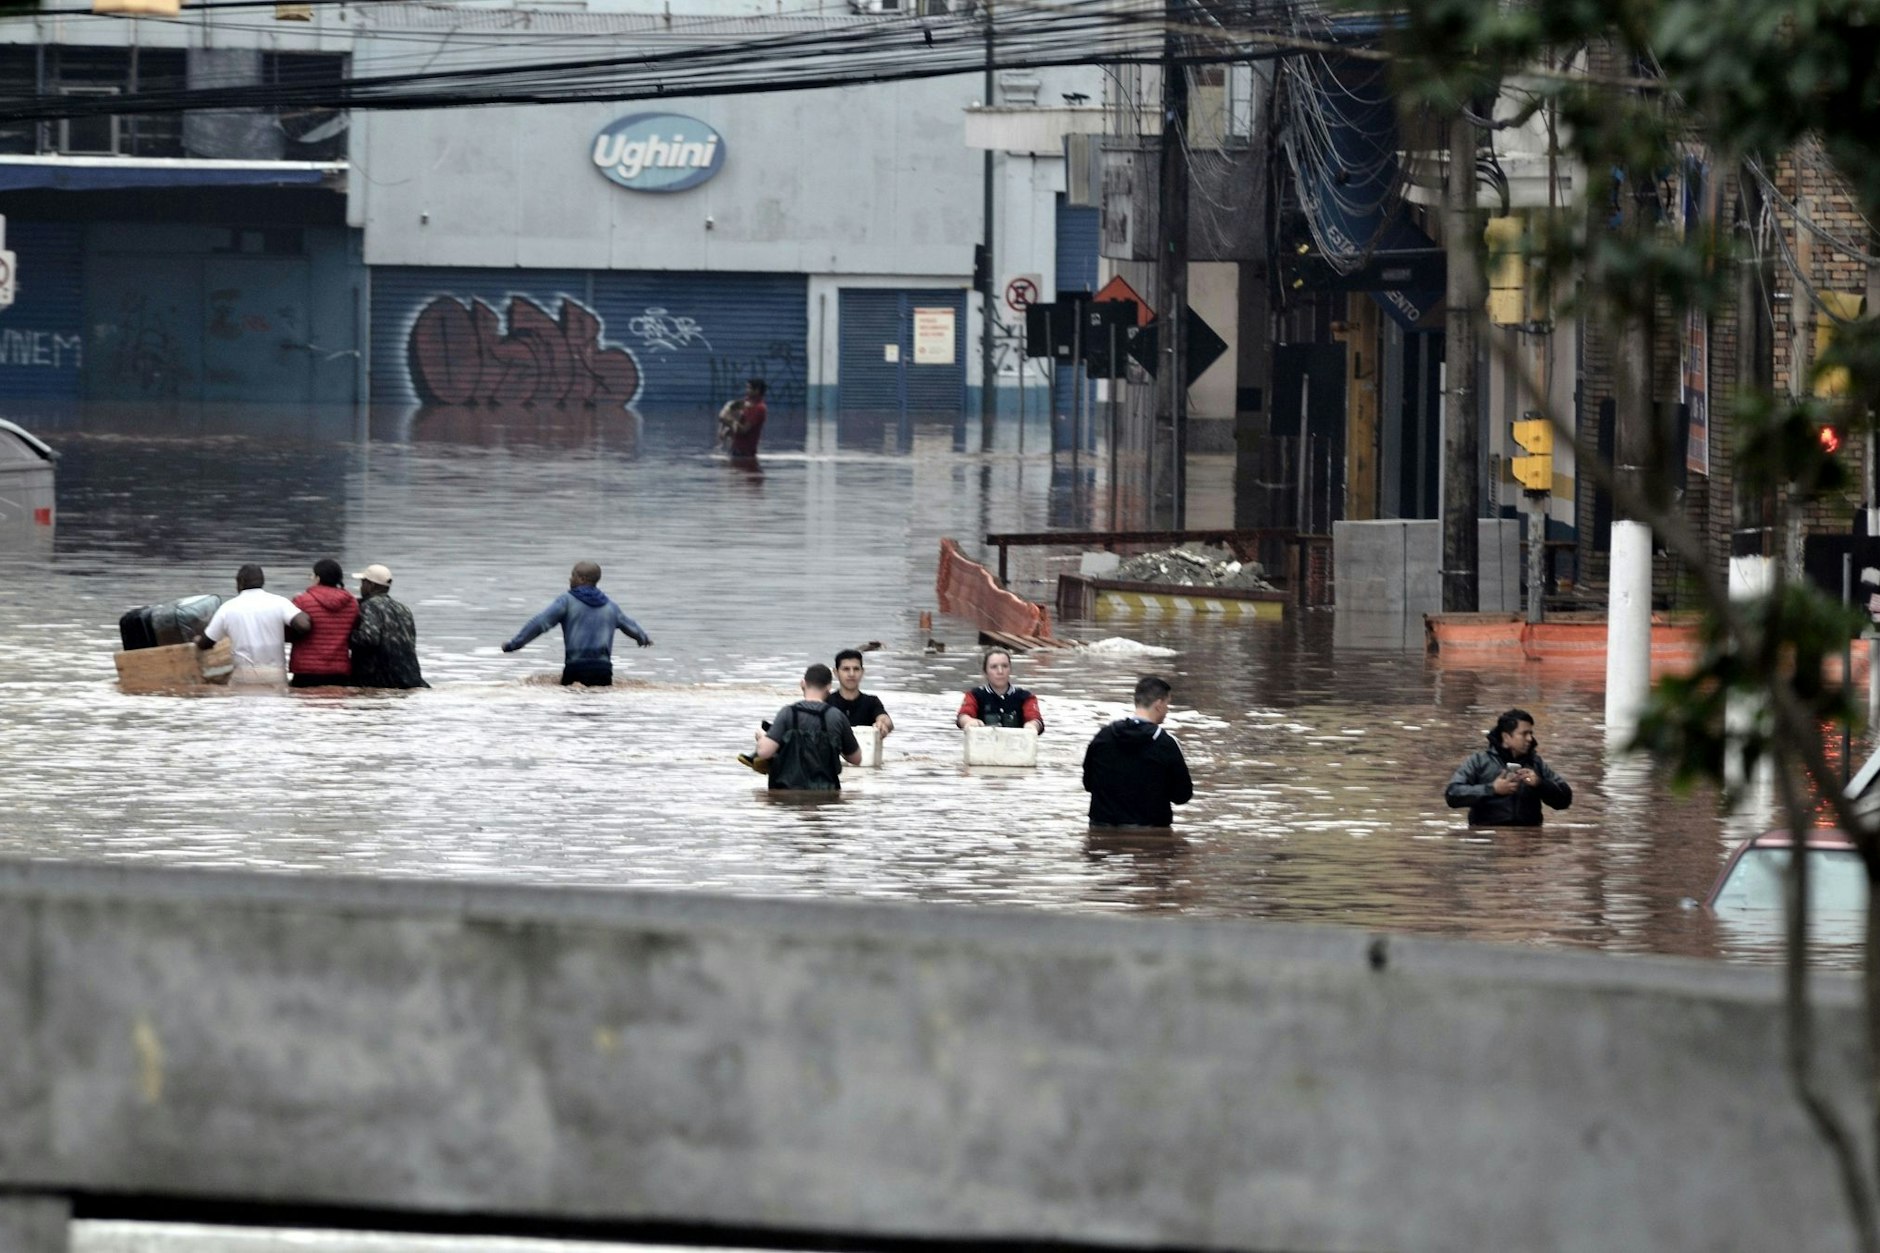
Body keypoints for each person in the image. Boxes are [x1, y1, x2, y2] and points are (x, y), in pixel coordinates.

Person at [501, 560, 653, 687]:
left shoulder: (567, 601)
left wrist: (514, 644)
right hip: (603, 670)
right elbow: (631, 626)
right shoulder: (611, 607)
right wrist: (643, 638)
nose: (569, 579)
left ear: (582, 579)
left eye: (572, 575)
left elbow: (539, 623)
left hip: (576, 667)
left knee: (572, 712)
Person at [1082, 675, 1195, 828]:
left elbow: (1088, 784)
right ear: (1159, 704)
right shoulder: (1165, 743)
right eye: (1168, 704)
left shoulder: (1103, 737)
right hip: (1151, 832)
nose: (1167, 710)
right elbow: (1182, 795)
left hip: (1102, 826)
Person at [1445, 708, 1573, 827]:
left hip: (1528, 842)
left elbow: (1565, 799)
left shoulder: (1536, 764)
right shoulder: (1479, 761)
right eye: (1524, 734)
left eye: (1530, 733)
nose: (1529, 739)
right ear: (1506, 737)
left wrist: (1540, 784)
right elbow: (1452, 794)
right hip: (1488, 841)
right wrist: (1492, 789)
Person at [752, 663, 862, 791]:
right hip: (826, 795)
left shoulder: (787, 713)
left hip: (786, 794)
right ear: (829, 687)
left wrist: (761, 737)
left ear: (803, 683)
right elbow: (856, 759)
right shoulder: (837, 716)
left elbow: (764, 752)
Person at [196, 564, 311, 686]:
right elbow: (303, 625)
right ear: (262, 581)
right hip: (275, 674)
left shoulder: (227, 608)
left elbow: (206, 643)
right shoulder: (280, 602)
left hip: (244, 675)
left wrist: (197, 639)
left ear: (240, 583)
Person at [348, 563, 429, 690]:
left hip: (381, 680)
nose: (361, 586)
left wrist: (344, 635)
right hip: (410, 677)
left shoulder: (369, 606)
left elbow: (368, 638)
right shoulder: (404, 609)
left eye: (363, 582)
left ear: (371, 585)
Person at [289, 558, 360, 689]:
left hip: (306, 671)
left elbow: (289, 633)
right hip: (339, 671)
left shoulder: (302, 601)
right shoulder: (352, 603)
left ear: (317, 578)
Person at [956, 648, 1043, 733]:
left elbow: (1035, 718)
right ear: (985, 672)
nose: (1000, 671)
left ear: (1010, 670)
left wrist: (1032, 725)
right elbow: (963, 715)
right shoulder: (974, 695)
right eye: (994, 667)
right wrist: (968, 721)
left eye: (1004, 666)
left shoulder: (1026, 697)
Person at [825, 647, 893, 739]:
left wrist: (882, 724)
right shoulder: (826, 702)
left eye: (856, 669)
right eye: (846, 669)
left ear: (862, 672)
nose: (851, 674)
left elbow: (884, 718)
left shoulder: (871, 702)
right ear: (836, 673)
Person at [717, 379, 768, 457]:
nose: (746, 390)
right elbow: (731, 411)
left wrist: (728, 420)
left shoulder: (759, 408)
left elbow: (744, 430)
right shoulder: (746, 402)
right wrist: (727, 431)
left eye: (749, 388)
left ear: (757, 390)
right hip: (736, 449)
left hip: (745, 452)